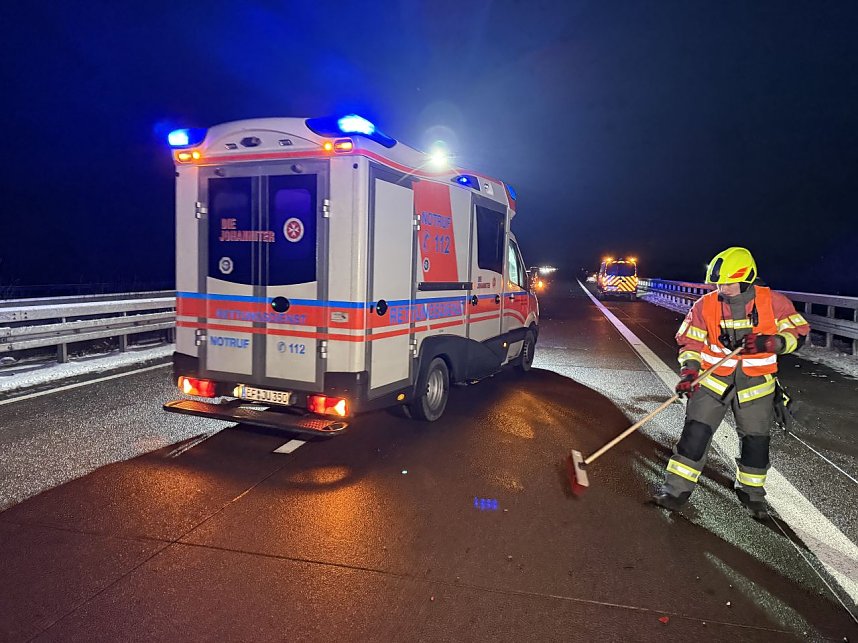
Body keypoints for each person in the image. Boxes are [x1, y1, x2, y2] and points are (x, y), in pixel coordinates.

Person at [652, 247, 810, 519]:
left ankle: (751, 494)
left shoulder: (774, 303)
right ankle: (675, 491)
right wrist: (689, 373)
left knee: (755, 443)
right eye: (718, 283)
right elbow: (690, 344)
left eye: (728, 282)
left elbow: (800, 333)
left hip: (756, 387)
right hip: (712, 383)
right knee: (694, 437)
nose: (722, 288)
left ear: (747, 279)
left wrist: (771, 342)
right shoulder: (705, 305)